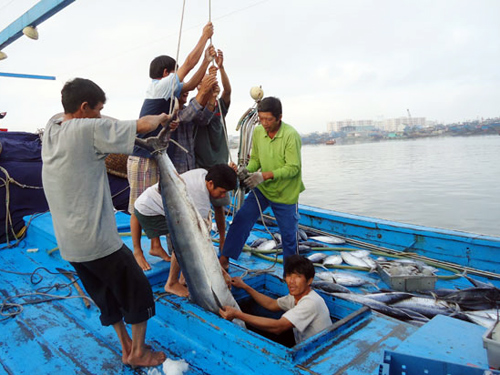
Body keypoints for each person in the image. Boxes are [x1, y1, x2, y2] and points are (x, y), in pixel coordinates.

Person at [41, 78, 172, 367]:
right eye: (97, 110)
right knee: (138, 290)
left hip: (69, 243)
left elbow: (107, 124)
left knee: (105, 292)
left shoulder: (53, 126)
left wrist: (108, 120)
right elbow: (144, 125)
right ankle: (137, 354)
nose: (100, 116)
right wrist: (163, 117)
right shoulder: (87, 131)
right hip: (96, 240)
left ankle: (125, 345)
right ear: (84, 108)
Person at [128, 22, 215, 271]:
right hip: (142, 157)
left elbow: (189, 83)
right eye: (175, 72)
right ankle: (137, 251)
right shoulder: (160, 85)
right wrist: (203, 38)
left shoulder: (167, 90)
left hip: (153, 156)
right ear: (167, 72)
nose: (180, 77)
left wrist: (206, 62)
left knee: (154, 199)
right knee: (138, 205)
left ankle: (155, 245)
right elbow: (188, 63)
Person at [219, 97, 305, 270]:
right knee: (241, 220)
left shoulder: (290, 135)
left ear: (279, 117)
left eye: (269, 119)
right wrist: (246, 170)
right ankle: (224, 260)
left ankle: (291, 275)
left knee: (289, 237)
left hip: (285, 194)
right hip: (263, 190)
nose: (264, 123)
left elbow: (293, 168)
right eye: (261, 118)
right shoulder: (258, 132)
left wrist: (264, 175)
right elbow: (256, 159)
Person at [133, 164, 237, 297]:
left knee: (188, 235)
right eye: (222, 192)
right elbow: (201, 242)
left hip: (148, 200)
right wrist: (222, 272)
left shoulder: (203, 173)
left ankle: (183, 277)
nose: (223, 196)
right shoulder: (200, 202)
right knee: (185, 241)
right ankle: (171, 283)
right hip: (150, 211)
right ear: (211, 184)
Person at [219, 255, 332, 344]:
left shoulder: (310, 303)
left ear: (309, 280)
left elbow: (278, 327)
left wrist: (237, 314)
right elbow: (271, 304)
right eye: (289, 275)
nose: (291, 281)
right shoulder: (295, 297)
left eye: (298, 276)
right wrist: (246, 287)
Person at [194, 49, 232, 251]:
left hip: (219, 166)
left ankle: (224, 240)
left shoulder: (220, 107)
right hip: (201, 168)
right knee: (198, 209)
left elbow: (228, 91)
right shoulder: (196, 108)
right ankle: (201, 243)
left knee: (219, 207)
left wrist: (221, 67)